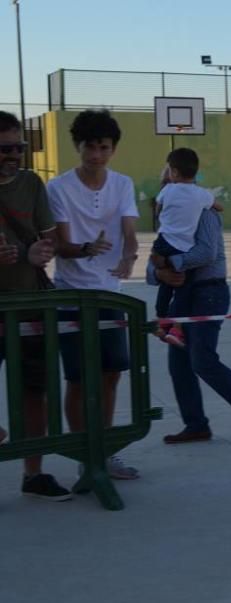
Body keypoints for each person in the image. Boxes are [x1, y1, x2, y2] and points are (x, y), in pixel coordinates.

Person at [48, 109, 140, 480]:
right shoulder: (58, 187)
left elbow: (130, 231)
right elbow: (62, 245)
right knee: (78, 378)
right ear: (78, 146)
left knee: (111, 374)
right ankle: (84, 450)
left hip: (110, 294)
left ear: (113, 150)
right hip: (71, 295)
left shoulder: (123, 184)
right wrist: (86, 249)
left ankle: (103, 449)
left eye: (103, 147)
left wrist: (130, 255)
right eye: (89, 146)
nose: (96, 154)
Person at [149, 207, 231, 445]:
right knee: (178, 364)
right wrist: (160, 273)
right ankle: (196, 425)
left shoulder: (205, 213)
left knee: (202, 360)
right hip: (181, 297)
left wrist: (171, 262)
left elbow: (207, 253)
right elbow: (153, 260)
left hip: (208, 293)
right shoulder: (171, 219)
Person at [0, 110, 73, 500]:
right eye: (4, 148)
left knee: (35, 391)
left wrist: (39, 250)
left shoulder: (31, 184)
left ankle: (34, 474)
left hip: (30, 304)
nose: (13, 155)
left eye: (18, 147)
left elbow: (50, 241)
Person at [152, 147, 223, 347]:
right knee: (184, 285)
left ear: (173, 172)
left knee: (166, 281)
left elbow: (157, 210)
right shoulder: (201, 195)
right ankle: (177, 327)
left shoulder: (167, 190)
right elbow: (218, 206)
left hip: (163, 242)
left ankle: (161, 317)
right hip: (183, 247)